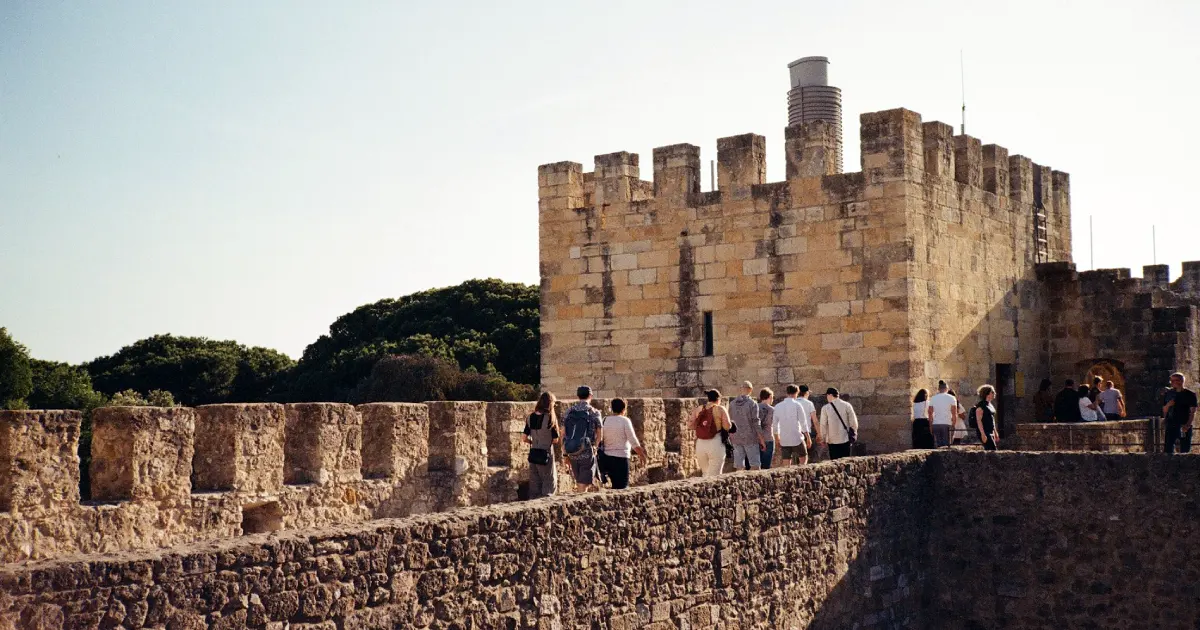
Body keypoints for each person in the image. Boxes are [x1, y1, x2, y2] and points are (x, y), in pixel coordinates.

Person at [561, 385, 602, 491]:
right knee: (583, 483)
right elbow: (599, 433)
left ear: (578, 396)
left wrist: (565, 453)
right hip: (587, 452)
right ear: (590, 396)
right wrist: (595, 448)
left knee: (580, 480)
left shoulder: (569, 412)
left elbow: (563, 434)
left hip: (572, 451)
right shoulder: (594, 412)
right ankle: (580, 501)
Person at [599, 398, 646, 490]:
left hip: (607, 458)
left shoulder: (604, 420)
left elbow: (600, 438)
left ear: (612, 409)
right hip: (621, 458)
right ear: (624, 409)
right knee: (622, 488)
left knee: (614, 486)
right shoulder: (625, 421)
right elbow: (632, 440)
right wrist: (641, 454)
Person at [523, 391, 560, 499]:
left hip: (534, 452)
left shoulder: (530, 417)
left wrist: (533, 442)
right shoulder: (550, 418)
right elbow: (555, 440)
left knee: (535, 481)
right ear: (550, 403)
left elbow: (524, 438)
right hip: (546, 453)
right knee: (549, 481)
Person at [691, 389, 731, 476]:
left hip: (700, 444)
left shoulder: (699, 409)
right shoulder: (720, 409)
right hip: (715, 442)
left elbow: (691, 425)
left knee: (705, 473)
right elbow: (727, 425)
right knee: (715, 475)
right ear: (718, 399)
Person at [727, 381, 765, 471]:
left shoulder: (732, 404)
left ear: (741, 389)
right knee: (755, 465)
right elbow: (756, 422)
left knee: (739, 465)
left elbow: (729, 421)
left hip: (736, 437)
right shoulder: (752, 403)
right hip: (750, 437)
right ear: (750, 390)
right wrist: (762, 439)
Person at [773, 384, 813, 465]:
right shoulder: (797, 405)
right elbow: (803, 423)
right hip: (797, 437)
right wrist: (808, 437)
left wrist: (777, 438)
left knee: (786, 461)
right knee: (803, 458)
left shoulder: (777, 406)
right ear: (797, 392)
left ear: (787, 393)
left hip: (784, 439)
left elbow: (775, 425)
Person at [819, 387, 858, 460]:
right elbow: (853, 422)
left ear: (830, 395)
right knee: (845, 461)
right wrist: (854, 433)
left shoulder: (825, 408)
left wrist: (823, 439)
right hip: (845, 438)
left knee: (834, 462)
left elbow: (823, 425)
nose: (826, 397)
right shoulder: (847, 405)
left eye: (827, 395)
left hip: (832, 440)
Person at [1164, 372, 1198, 455]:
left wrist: (1188, 425)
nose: (1171, 383)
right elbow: (1164, 409)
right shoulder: (1169, 394)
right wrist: (1168, 405)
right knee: (1168, 450)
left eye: (1174, 380)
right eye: (1171, 381)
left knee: (1185, 450)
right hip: (1171, 424)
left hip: (1183, 424)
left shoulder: (1190, 394)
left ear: (1180, 381)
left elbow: (1193, 411)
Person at [928, 381, 957, 447]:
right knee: (947, 445)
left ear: (939, 389)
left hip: (936, 424)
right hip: (947, 423)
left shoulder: (933, 398)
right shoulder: (952, 398)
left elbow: (930, 413)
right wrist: (953, 425)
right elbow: (954, 413)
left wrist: (930, 426)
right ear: (947, 389)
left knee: (938, 445)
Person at [974, 385, 1000, 451]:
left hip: (990, 431)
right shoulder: (981, 406)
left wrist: (995, 432)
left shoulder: (990, 404)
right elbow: (978, 420)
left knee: (991, 450)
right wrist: (983, 434)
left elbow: (992, 419)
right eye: (992, 392)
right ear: (987, 394)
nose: (995, 393)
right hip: (984, 432)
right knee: (992, 449)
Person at [757, 388, 776, 469]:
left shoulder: (755, 407)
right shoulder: (772, 409)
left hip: (756, 439)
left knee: (756, 465)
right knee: (766, 466)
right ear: (770, 397)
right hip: (768, 438)